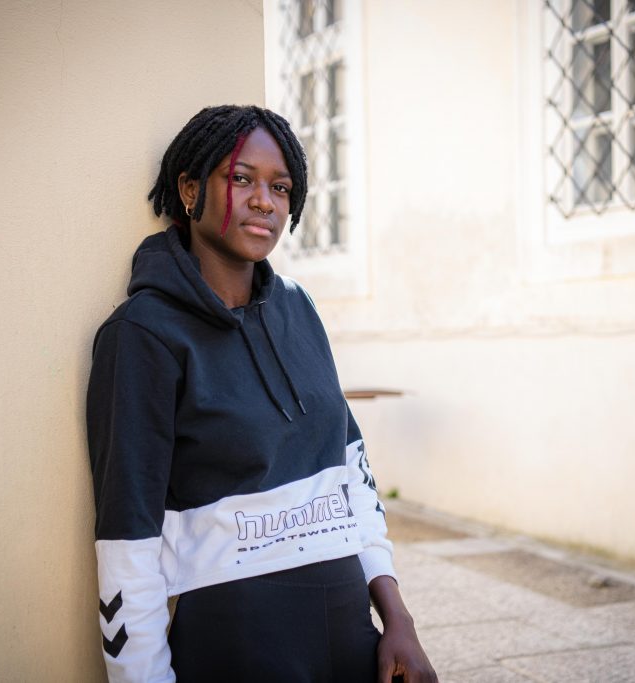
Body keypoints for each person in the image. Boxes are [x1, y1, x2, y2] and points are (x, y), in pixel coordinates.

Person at [86, 104, 436, 683]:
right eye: (241, 179)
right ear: (190, 190)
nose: (264, 202)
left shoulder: (299, 308)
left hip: (350, 637)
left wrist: (398, 619)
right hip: (237, 644)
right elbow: (127, 541)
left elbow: (351, 474)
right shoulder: (142, 335)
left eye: (280, 187)